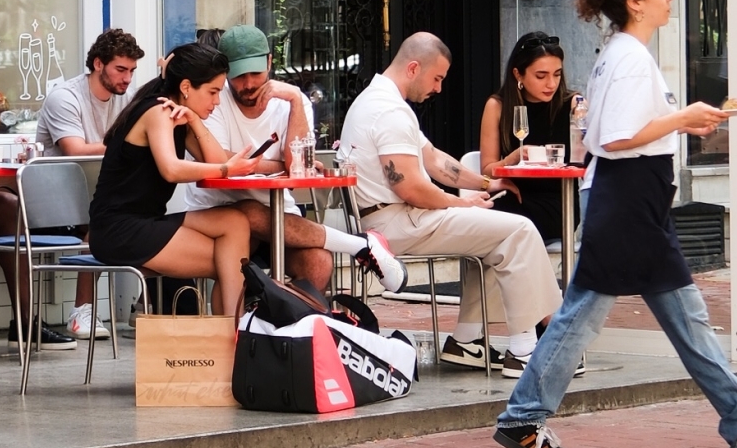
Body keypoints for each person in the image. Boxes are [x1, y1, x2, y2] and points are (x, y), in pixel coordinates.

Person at [495, 0, 737, 448]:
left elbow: (615, 131)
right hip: (629, 198)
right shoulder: (630, 58)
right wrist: (682, 118)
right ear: (635, 3)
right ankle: (523, 415)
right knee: (588, 313)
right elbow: (618, 137)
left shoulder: (621, 53)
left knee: (677, 314)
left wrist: (683, 121)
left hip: (632, 196)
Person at [340, 33, 559, 376]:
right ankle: (528, 349)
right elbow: (412, 188)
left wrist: (486, 184)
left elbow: (435, 160)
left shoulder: (381, 100)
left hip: (391, 220)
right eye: (437, 78)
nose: (439, 88)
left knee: (495, 233)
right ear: (414, 68)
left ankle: (466, 341)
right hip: (395, 224)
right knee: (519, 230)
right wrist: (461, 204)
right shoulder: (388, 111)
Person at [169, 25, 406, 301]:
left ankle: (291, 327)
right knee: (245, 214)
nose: (248, 84)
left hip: (280, 216)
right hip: (219, 211)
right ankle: (358, 245)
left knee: (318, 263)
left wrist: (294, 99)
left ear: (269, 63)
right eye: (239, 76)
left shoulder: (291, 101)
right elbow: (225, 163)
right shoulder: (213, 99)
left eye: (256, 73)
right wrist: (276, 165)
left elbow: (297, 166)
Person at [87, 43, 262, 316]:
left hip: (147, 221)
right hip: (118, 230)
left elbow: (217, 161)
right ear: (186, 87)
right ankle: (234, 332)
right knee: (234, 264)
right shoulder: (158, 112)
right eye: (213, 92)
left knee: (235, 222)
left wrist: (195, 122)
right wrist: (225, 169)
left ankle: (232, 330)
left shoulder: (180, 115)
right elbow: (171, 169)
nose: (217, 101)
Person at [14, 28, 143, 340]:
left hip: (92, 194)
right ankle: (81, 312)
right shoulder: (66, 97)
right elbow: (75, 150)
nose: (127, 79)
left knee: (142, 213)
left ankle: (146, 306)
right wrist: (129, 144)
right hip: (49, 199)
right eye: (120, 69)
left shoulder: (125, 100)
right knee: (104, 219)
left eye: (132, 71)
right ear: (98, 64)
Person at [479, 32, 574, 246]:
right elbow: (486, 171)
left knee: (509, 230)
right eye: (541, 76)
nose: (551, 84)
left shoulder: (571, 104)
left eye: (557, 74)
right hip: (514, 195)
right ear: (518, 74)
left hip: (559, 202)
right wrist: (512, 158)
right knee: (487, 219)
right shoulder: (498, 106)